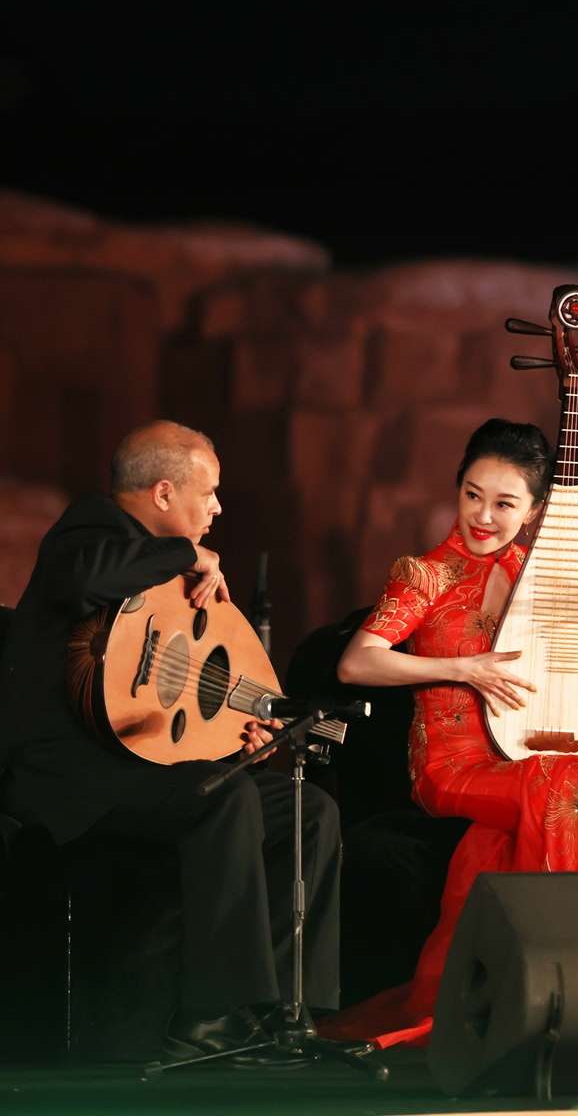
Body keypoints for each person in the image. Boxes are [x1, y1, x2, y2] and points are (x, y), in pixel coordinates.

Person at [0, 421, 340, 1065]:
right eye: (208, 493)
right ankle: (209, 1018)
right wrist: (187, 554)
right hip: (72, 780)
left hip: (137, 767)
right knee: (223, 800)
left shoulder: (158, 574)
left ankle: (288, 1013)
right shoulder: (91, 525)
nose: (217, 509)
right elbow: (80, 580)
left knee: (308, 811)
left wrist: (243, 742)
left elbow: (165, 713)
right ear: (161, 492)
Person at [327, 418, 578, 1043]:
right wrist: (462, 668)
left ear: (534, 510)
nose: (482, 516)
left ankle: (561, 994)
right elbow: (358, 660)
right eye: (471, 494)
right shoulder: (427, 575)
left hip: (521, 756)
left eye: (504, 503)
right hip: (452, 765)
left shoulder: (542, 580)